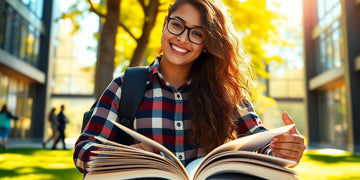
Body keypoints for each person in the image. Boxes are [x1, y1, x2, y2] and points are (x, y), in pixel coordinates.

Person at [73, 0, 306, 174]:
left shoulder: (226, 92)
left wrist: (282, 150)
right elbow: (83, 152)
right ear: (165, 24)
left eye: (197, 33)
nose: (183, 38)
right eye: (177, 25)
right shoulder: (125, 86)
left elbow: (261, 143)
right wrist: (126, 156)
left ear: (207, 44)